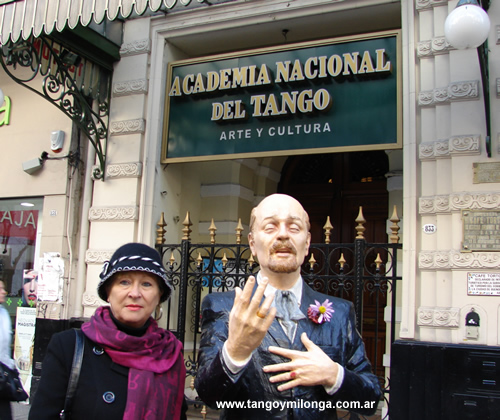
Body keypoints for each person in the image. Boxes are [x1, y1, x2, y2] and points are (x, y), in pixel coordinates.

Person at [195, 194, 381, 419]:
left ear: (307, 242)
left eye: (294, 227)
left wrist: (334, 375)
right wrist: (235, 351)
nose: (283, 234)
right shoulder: (222, 307)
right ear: (252, 243)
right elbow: (210, 396)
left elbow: (369, 402)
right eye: (270, 227)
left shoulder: (340, 313)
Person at [29, 243, 187, 420]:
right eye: (124, 282)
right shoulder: (68, 347)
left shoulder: (169, 353)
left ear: (159, 296)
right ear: (108, 292)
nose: (134, 293)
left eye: (146, 284)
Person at [0, 280, 16, 420]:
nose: (4, 292)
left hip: (2, 375)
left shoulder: (4, 313)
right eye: (0, 289)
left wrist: (11, 366)